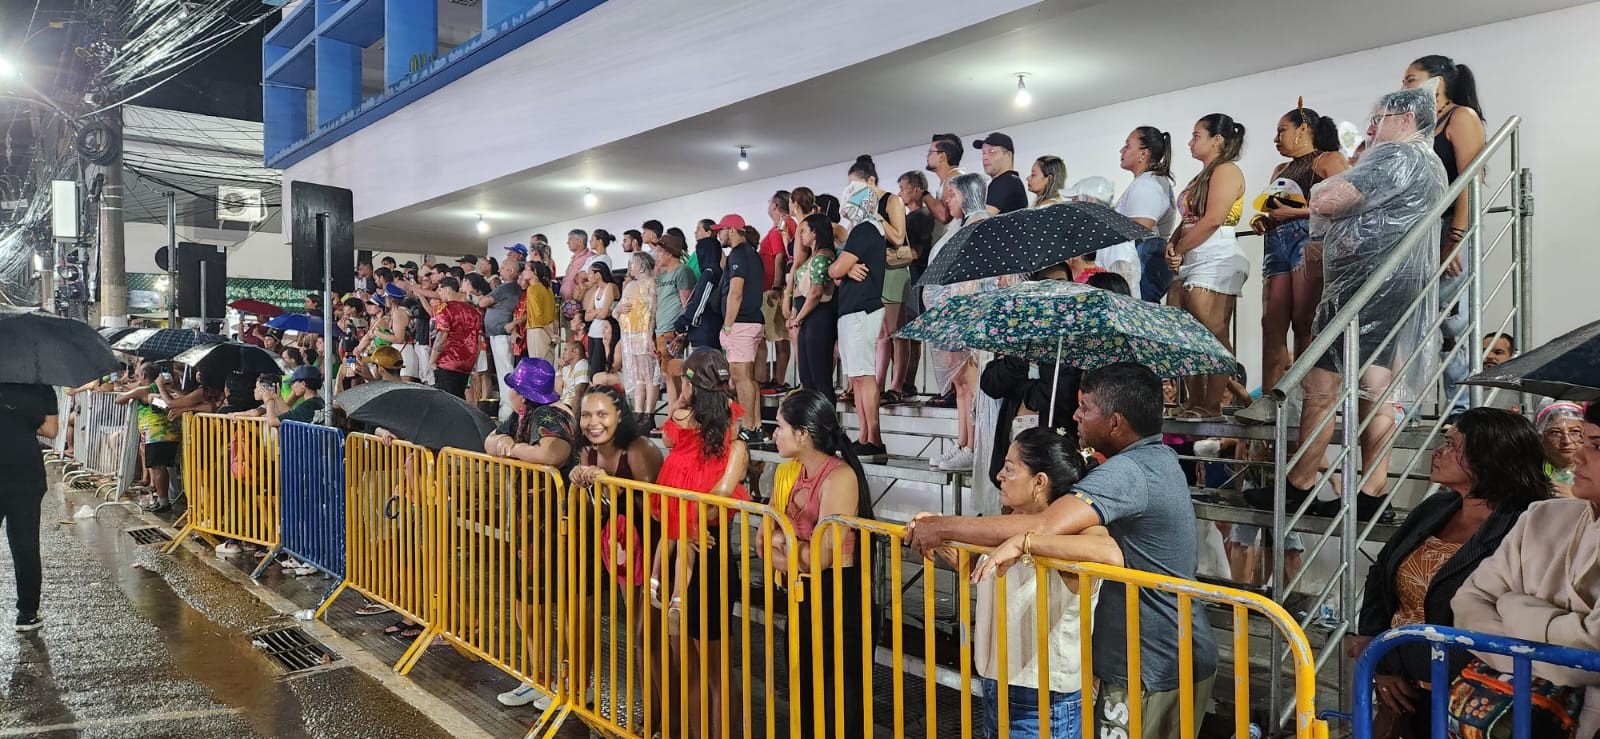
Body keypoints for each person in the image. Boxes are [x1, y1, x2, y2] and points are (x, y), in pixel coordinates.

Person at [907, 363, 1218, 739]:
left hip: (1148, 660)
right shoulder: (1157, 459)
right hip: (1162, 652)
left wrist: (942, 526)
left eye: (1085, 408)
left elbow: (1042, 526)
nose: (1076, 416)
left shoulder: (1126, 472)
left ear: (1116, 422)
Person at [1244, 88, 1447, 521]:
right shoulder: (1429, 161)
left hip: (1364, 286)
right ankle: (1372, 492)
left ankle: (1299, 486)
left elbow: (1329, 198)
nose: (1371, 127)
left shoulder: (1398, 157)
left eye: (1380, 118)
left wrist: (1317, 199)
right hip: (1393, 285)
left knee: (1321, 385)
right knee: (1376, 387)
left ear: (1406, 118)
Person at [1346, 408, 1549, 737]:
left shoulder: (1524, 527)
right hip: (1401, 686)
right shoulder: (1435, 509)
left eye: (1452, 444)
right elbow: (1380, 576)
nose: (1437, 452)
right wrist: (1382, 662)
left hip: (1471, 696)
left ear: (1488, 456)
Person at [1452, 402, 1600, 739]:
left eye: (1597, 446)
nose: (1577, 456)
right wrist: (1547, 664)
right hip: (1519, 716)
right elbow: (1468, 605)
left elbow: (1593, 647)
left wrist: (1513, 605)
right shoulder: (1543, 517)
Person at [967, 427, 1122, 739]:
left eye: (1010, 469)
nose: (999, 475)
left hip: (1042, 700)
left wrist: (1025, 542)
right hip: (998, 683)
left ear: (1039, 482)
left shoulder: (1080, 533)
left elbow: (1110, 555)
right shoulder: (1004, 525)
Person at [768, 389, 876, 739]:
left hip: (838, 602)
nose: (774, 434)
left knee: (838, 706)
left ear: (803, 434)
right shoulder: (790, 474)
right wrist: (791, 550)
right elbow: (763, 544)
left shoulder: (840, 476)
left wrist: (785, 547)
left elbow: (822, 557)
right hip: (803, 597)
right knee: (804, 697)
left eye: (780, 426)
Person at [1403, 55, 1485, 419]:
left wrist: (1455, 238)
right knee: (1414, 324)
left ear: (1438, 81)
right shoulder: (1418, 126)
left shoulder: (1460, 117)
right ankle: (1409, 407)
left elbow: (1471, 181)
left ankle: (1460, 410)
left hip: (1448, 226)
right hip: (1416, 233)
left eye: (1411, 79)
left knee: (1452, 324)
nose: (1404, 86)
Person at [1251, 104, 1350, 398]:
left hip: (1309, 239)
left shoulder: (1329, 159)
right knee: (1271, 322)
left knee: (1305, 321)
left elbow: (1344, 202)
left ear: (1303, 129)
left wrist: (1297, 214)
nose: (1276, 138)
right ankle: (1270, 399)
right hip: (1277, 241)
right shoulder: (1280, 169)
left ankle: (1305, 397)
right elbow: (1274, 207)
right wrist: (1264, 219)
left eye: (1282, 130)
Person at [651, 349, 749, 646]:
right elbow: (732, 440)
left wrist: (678, 404)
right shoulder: (731, 413)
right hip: (709, 484)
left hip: (679, 482)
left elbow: (668, 438)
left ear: (690, 385)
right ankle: (679, 599)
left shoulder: (683, 414)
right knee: (688, 542)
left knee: (673, 535)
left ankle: (656, 580)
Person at [1167, 113, 1249, 420]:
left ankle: (1212, 404)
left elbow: (1213, 219)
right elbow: (1186, 221)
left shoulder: (1227, 170)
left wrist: (1180, 248)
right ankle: (1194, 400)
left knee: (1213, 331)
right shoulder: (1199, 177)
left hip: (1216, 255)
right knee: (1183, 331)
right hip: (1191, 256)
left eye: (1196, 135)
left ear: (1217, 140)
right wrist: (1172, 246)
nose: (1190, 142)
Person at [922, 172, 993, 472]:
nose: (947, 200)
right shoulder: (964, 227)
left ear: (967, 195)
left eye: (952, 195)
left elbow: (976, 277)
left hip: (969, 312)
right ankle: (963, 441)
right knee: (961, 383)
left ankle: (972, 444)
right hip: (955, 311)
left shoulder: (979, 226)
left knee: (970, 383)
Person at [831, 157, 890, 458]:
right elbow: (840, 271)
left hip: (861, 310)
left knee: (864, 376)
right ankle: (864, 434)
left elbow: (834, 270)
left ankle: (873, 438)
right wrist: (843, 270)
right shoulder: (865, 231)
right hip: (854, 310)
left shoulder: (866, 229)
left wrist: (841, 269)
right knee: (857, 376)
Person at [1, 383, 58, 632]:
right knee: (25, 545)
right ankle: (27, 613)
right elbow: (51, 430)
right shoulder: (41, 388)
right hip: (26, 473)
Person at [1110, 127, 1177, 303]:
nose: (1122, 150)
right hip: (1146, 257)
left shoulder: (1148, 184)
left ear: (1143, 153)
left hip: (1144, 260)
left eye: (1127, 145)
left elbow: (1140, 226)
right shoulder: (1148, 181)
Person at [786, 213, 838, 402]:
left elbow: (815, 292)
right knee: (807, 377)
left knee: (820, 377)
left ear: (815, 233)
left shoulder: (823, 257)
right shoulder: (812, 258)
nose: (801, 235)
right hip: (808, 319)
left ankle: (826, 424)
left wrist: (798, 317)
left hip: (818, 318)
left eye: (804, 231)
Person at [893, 171, 936, 398]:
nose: (900, 193)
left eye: (904, 188)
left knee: (909, 331)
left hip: (914, 277)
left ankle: (905, 383)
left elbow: (916, 251)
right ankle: (905, 382)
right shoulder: (912, 217)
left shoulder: (920, 217)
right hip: (910, 277)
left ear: (917, 189)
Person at [116, 364, 181, 512]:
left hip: (157, 435)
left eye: (138, 375)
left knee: (158, 468)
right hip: (170, 433)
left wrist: (132, 392)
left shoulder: (144, 390)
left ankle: (164, 502)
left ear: (144, 376)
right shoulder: (165, 389)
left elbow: (118, 400)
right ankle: (162, 499)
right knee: (163, 468)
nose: (136, 377)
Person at [616, 251, 662, 429]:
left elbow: (652, 311)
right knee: (637, 376)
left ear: (642, 265)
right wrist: (619, 308)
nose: (630, 268)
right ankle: (637, 412)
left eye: (633, 264)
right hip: (630, 334)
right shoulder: (629, 286)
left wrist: (650, 334)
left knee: (649, 375)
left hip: (645, 333)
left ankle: (649, 414)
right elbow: (616, 311)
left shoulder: (652, 284)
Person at [758, 191, 795, 393]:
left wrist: (777, 285)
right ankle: (777, 379)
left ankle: (777, 379)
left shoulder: (780, 228)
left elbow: (781, 256)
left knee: (777, 334)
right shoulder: (785, 226)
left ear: (774, 205)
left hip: (774, 290)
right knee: (779, 335)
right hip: (777, 288)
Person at [483, 259, 525, 421]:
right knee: (504, 370)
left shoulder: (506, 288)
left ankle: (508, 411)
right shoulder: (511, 288)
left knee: (505, 372)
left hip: (502, 334)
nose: (499, 270)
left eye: (503, 268)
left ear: (512, 272)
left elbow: (483, 302)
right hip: (499, 333)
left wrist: (491, 303)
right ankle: (507, 408)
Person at [583, 262, 622, 384]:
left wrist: (595, 312)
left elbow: (604, 314)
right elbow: (586, 316)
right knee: (591, 369)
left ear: (598, 275)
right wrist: (597, 312)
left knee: (597, 368)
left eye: (590, 273)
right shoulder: (597, 290)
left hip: (604, 332)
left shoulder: (610, 287)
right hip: (593, 332)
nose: (588, 276)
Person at [973, 132, 1027, 214]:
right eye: (983, 153)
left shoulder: (1006, 181)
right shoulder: (1012, 180)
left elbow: (979, 220)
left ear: (1008, 155)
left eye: (992, 152)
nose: (985, 157)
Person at [1537, 402, 1584, 497]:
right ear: (1541, 437)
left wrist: (1578, 500)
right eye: (1556, 432)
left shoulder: (1595, 472)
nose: (1567, 441)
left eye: (1575, 431)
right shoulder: (1532, 471)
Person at [260, 366, 326, 428]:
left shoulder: (307, 406)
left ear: (303, 384)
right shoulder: (319, 401)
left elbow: (273, 422)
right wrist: (278, 397)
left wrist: (269, 400)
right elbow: (290, 416)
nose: (292, 387)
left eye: (293, 383)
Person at [520, 261, 559, 364]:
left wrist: (552, 335)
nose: (523, 272)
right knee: (548, 364)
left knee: (537, 365)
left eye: (526, 269)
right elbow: (554, 313)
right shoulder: (548, 288)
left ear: (535, 272)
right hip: (549, 328)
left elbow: (537, 315)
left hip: (537, 330)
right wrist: (554, 333)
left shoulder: (532, 289)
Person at [555, 341, 589, 409]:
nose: (563, 353)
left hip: (570, 407)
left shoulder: (582, 364)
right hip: (561, 405)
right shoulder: (566, 368)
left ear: (575, 352)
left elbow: (579, 393)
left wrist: (573, 418)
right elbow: (557, 388)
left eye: (565, 350)